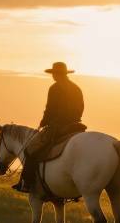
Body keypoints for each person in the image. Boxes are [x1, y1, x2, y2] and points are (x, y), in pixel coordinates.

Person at [14, 62, 84, 193]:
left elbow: (49, 109)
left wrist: (43, 122)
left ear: (57, 74)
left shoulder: (55, 88)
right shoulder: (76, 88)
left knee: (30, 150)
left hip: (58, 126)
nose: (53, 76)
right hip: (76, 126)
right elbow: (81, 108)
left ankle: (27, 183)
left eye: (54, 74)